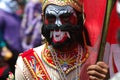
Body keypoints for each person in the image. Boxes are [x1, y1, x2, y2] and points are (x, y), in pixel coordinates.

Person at [15, 0, 108, 80]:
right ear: (43, 18)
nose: (58, 24)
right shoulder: (27, 63)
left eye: (65, 18)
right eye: (51, 18)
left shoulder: (97, 59)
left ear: (80, 19)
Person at [0, 0, 23, 75]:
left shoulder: (13, 13)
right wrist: (3, 47)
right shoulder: (1, 14)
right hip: (9, 51)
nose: (14, 2)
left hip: (17, 50)